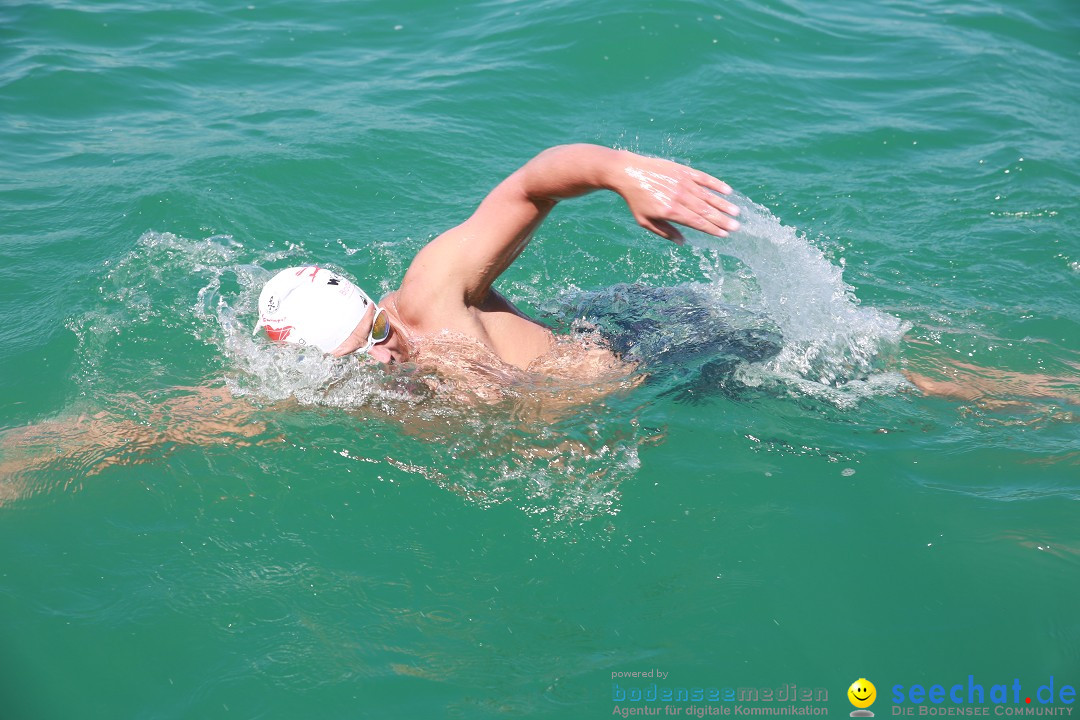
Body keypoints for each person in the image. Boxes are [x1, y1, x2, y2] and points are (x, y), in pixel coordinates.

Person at [253, 144, 742, 391]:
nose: (382, 355)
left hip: (660, 349)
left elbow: (529, 186)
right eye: (355, 355)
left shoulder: (430, 295)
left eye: (377, 330)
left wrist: (617, 172)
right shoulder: (342, 387)